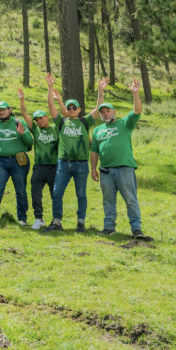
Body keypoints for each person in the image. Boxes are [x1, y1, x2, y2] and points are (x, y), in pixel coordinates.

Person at [91, 79, 151, 240]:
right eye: (102, 112)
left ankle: (136, 229)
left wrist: (136, 93)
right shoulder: (98, 130)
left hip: (124, 168)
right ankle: (109, 227)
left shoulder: (125, 123)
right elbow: (95, 150)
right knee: (108, 200)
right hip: (105, 171)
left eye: (108, 111)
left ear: (114, 112)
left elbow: (137, 111)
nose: (105, 114)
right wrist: (93, 168)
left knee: (131, 199)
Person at [46, 73, 104, 232]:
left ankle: (81, 223)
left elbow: (99, 109)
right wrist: (50, 87)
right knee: (57, 193)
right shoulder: (61, 121)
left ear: (79, 109)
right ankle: (57, 222)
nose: (71, 110)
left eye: (74, 107)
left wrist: (100, 91)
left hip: (81, 165)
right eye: (68, 107)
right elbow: (51, 106)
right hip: (63, 164)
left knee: (81, 195)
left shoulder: (85, 121)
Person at [0, 100, 34, 225]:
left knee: (20, 190)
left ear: (9, 110)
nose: (1, 112)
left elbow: (30, 142)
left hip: (19, 161)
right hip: (1, 161)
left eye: (4, 109)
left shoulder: (18, 122)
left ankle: (22, 218)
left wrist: (22, 134)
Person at [17, 87, 59, 230]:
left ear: (47, 117)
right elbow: (24, 113)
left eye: (42, 118)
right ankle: (39, 218)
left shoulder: (56, 128)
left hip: (54, 166)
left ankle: (56, 220)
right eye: (37, 119)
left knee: (55, 194)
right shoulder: (35, 129)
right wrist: (22, 99)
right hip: (40, 166)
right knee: (35, 192)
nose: (39, 121)